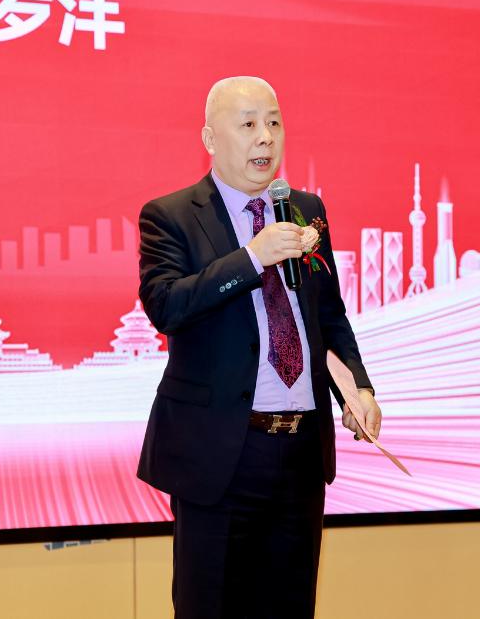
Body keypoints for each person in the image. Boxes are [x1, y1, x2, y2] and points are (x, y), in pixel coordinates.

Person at [136, 76, 382, 619]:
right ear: (210, 138)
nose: (265, 137)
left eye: (273, 122)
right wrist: (252, 258)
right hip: (221, 454)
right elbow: (166, 306)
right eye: (248, 124)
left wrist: (358, 390)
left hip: (301, 453)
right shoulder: (171, 216)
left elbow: (328, 317)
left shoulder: (305, 208)